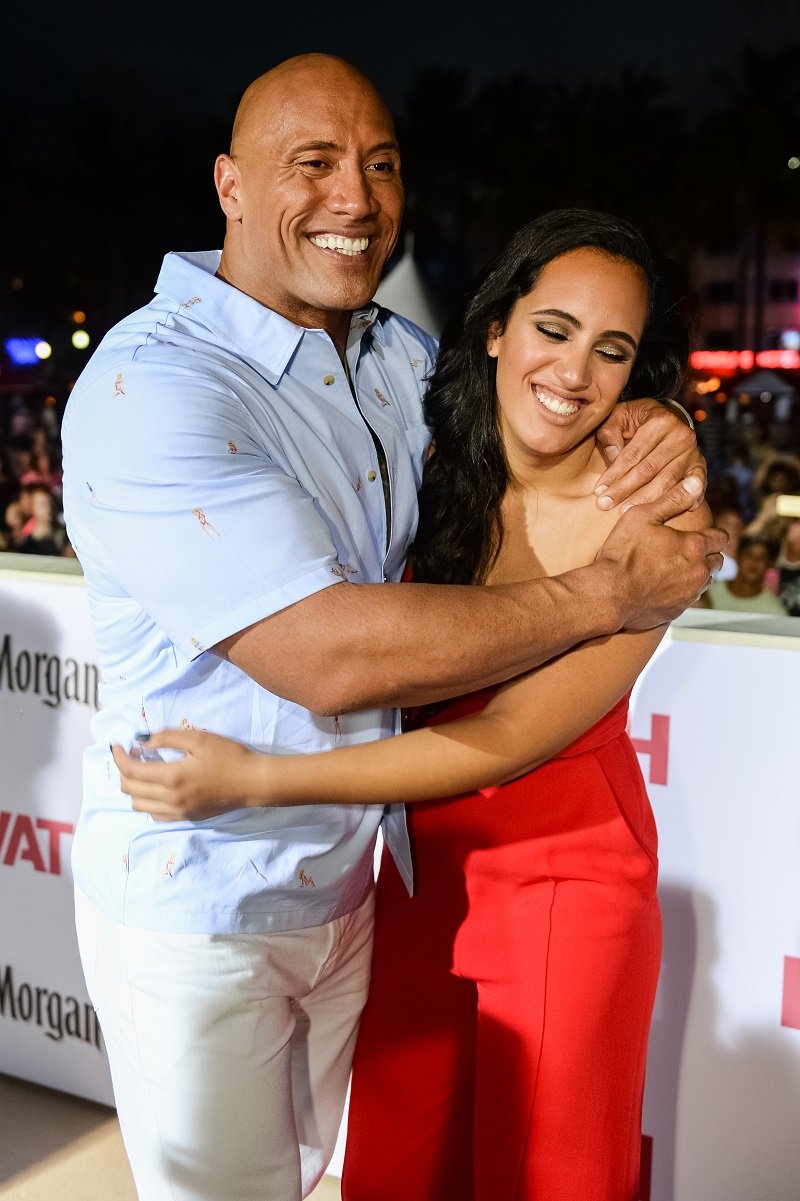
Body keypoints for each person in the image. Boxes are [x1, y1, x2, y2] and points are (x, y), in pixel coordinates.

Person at [62, 54, 723, 1201]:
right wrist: (607, 593)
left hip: (363, 885)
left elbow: (544, 395)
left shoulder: (395, 362)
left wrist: (657, 421)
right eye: (311, 163)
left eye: (379, 166)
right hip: (208, 894)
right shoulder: (153, 387)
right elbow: (329, 655)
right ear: (227, 183)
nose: (354, 198)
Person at [705, 533, 786, 614]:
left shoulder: (774, 610)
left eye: (761, 558)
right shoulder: (708, 595)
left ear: (769, 563)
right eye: (749, 555)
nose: (754, 562)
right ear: (738, 557)